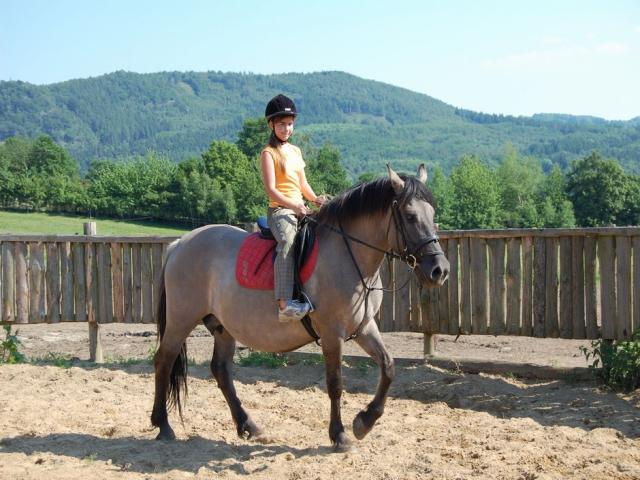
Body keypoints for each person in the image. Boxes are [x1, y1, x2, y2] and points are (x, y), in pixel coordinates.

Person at [260, 94, 324, 322]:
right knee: (287, 241)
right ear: (271, 125)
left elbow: (303, 184)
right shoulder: (269, 153)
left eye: (290, 124)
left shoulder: (295, 151)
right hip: (280, 210)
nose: (286, 129)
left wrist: (316, 199)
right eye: (281, 124)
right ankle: (284, 303)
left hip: (300, 207)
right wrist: (294, 205)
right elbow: (271, 190)